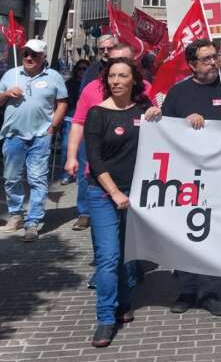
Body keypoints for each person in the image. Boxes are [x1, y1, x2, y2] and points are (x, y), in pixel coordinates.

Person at [159, 39, 221, 318]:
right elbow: (164, 131)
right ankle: (187, 289)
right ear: (192, 65)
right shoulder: (178, 93)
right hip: (186, 175)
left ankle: (209, 290)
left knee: (213, 234)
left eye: (216, 57)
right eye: (206, 59)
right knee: (187, 233)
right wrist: (185, 123)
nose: (213, 63)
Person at [83, 58, 158, 348]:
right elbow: (95, 159)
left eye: (122, 75)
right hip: (103, 193)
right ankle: (105, 317)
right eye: (111, 76)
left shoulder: (143, 110)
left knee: (129, 253)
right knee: (108, 256)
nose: (116, 80)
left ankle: (125, 302)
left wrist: (160, 115)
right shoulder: (97, 114)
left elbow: (168, 136)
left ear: (133, 81)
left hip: (136, 193)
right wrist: (114, 193)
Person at [66, 43, 153, 232]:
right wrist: (71, 156)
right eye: (113, 62)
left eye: (124, 62)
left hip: (132, 169)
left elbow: (154, 123)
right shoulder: (91, 88)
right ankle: (85, 213)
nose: (116, 78)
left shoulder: (145, 88)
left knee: (129, 237)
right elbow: (78, 122)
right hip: (99, 163)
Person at [0, 39, 68, 241]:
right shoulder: (10, 74)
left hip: (40, 135)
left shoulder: (54, 77)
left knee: (37, 179)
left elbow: (62, 102)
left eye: (34, 55)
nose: (29, 58)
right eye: (26, 54)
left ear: (43, 57)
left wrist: (53, 126)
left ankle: (33, 222)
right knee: (11, 178)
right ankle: (16, 215)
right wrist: (6, 93)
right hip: (13, 135)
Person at [60, 59, 89, 184]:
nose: (82, 71)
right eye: (79, 68)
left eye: (85, 69)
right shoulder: (70, 83)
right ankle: (66, 174)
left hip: (85, 120)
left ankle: (80, 174)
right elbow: (65, 101)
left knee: (82, 150)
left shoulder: (91, 83)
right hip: (70, 118)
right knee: (67, 147)